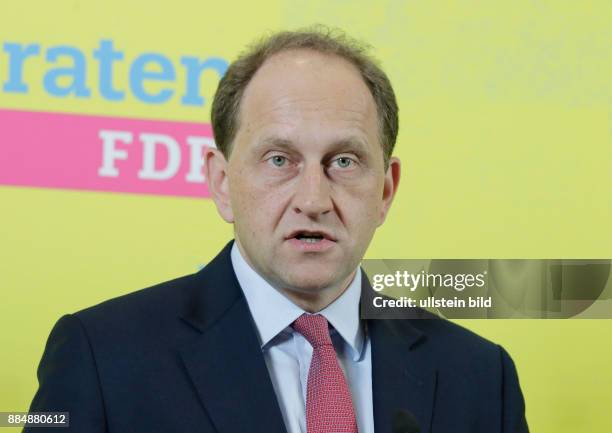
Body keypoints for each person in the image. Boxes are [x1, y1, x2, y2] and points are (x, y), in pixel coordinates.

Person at [25, 27, 529, 433]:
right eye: (280, 159)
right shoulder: (101, 357)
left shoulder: (481, 377)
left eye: (345, 161)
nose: (313, 200)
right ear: (222, 183)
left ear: (386, 191)